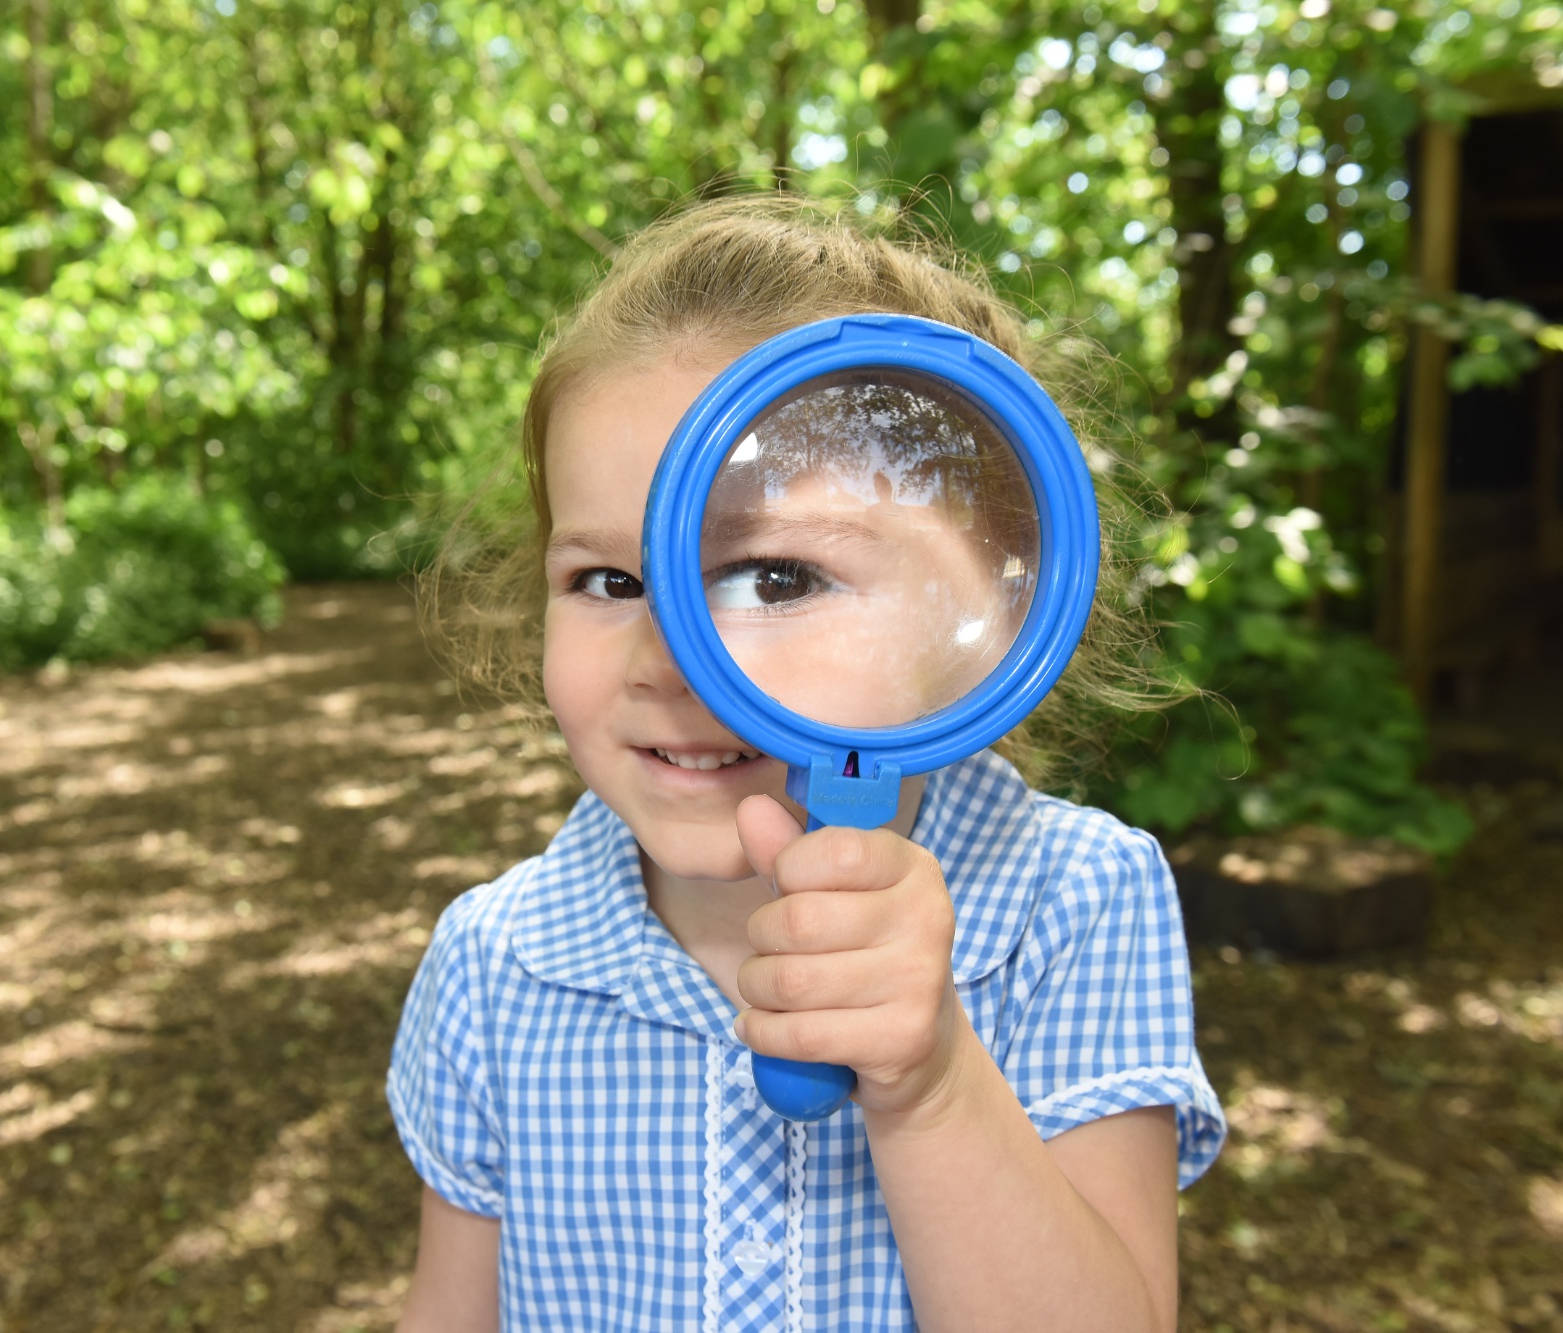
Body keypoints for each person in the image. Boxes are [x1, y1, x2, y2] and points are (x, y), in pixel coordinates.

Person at [390, 196, 1226, 1331]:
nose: (665, 659)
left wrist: (931, 1089)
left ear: (992, 606)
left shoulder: (1070, 902)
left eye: (772, 577)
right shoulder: (495, 966)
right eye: (609, 582)